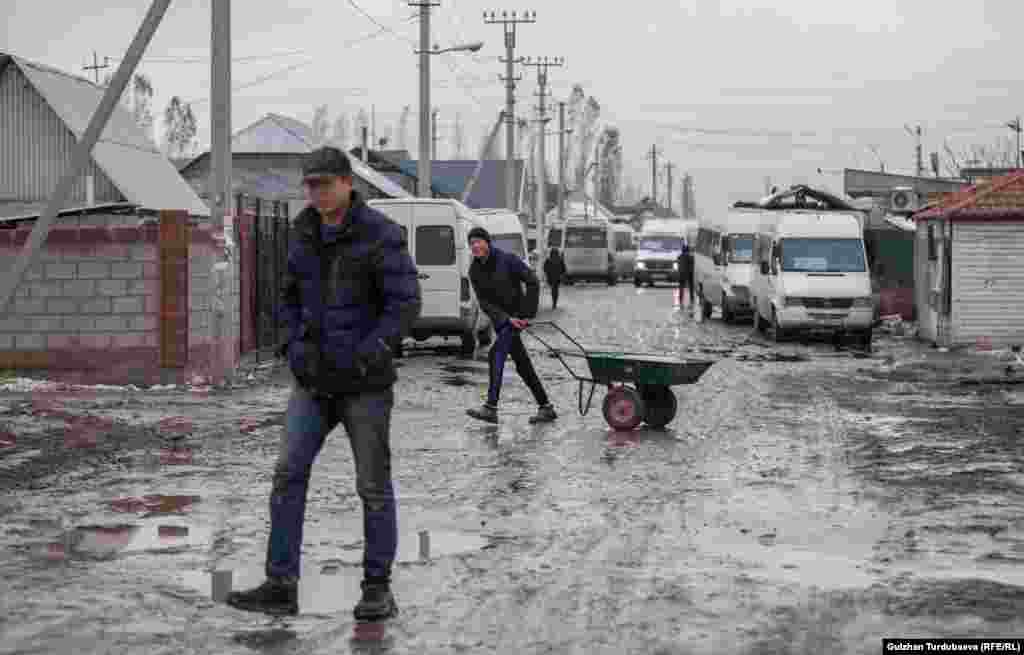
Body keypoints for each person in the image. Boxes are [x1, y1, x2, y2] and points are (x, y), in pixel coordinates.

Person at [225, 147, 421, 620]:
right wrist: (294, 347)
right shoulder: (303, 232)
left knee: (372, 486)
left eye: (324, 184)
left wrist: (370, 352)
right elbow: (287, 299)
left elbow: (404, 304)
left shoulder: (380, 235)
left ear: (347, 184)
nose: (315, 193)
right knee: (288, 475)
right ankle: (280, 584)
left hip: (364, 384)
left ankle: (377, 589)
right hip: (312, 382)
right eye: (309, 185)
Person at [465, 227, 557, 425]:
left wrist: (525, 314)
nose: (475, 246)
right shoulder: (474, 271)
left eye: (478, 241)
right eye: (472, 243)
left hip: (517, 317)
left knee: (495, 354)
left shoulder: (508, 260)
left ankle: (491, 407)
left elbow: (532, 281)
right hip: (503, 321)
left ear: (487, 242)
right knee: (523, 364)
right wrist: (506, 319)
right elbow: (484, 303)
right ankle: (546, 407)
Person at [677, 240, 695, 307]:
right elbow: (692, 265)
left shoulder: (679, 257)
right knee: (691, 287)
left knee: (681, 287)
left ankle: (681, 301)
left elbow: (679, 265)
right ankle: (692, 300)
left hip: (681, 274)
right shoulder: (691, 257)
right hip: (690, 273)